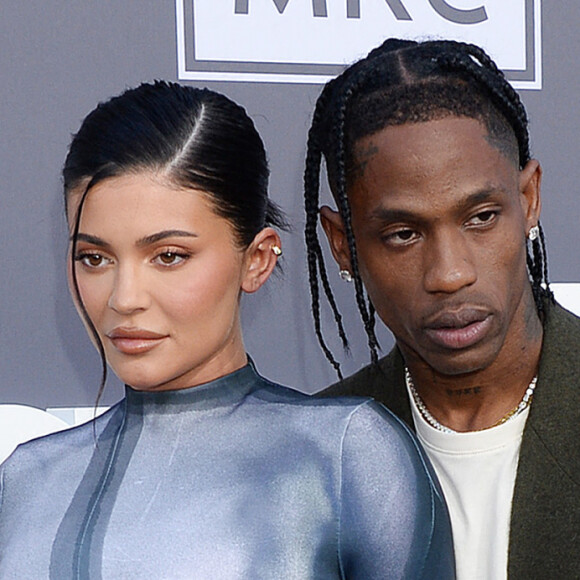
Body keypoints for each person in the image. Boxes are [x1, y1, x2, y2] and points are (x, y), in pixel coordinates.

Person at [0, 81, 454, 578]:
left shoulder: (348, 458)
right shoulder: (25, 481)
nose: (123, 298)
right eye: (94, 257)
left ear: (257, 259)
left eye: (168, 256)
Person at [304, 39, 580, 579]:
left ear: (527, 201)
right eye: (403, 234)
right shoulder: (311, 458)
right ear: (344, 244)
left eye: (480, 217)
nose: (450, 273)